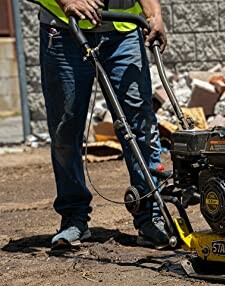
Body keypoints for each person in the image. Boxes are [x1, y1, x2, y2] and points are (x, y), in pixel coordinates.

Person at [33, 0, 169, 249]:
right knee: (66, 126)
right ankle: (74, 218)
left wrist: (154, 15)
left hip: (124, 30)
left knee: (140, 123)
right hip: (65, 29)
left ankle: (151, 215)